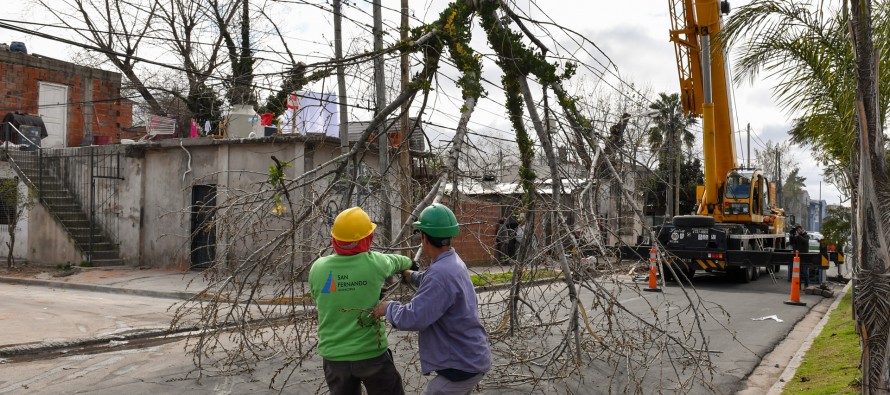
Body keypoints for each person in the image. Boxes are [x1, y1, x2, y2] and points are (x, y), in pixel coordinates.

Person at [373, 203, 491, 394]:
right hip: (470, 358)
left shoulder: (441, 274)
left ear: (424, 238)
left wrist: (388, 307)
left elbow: (413, 318)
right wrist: (412, 276)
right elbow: (437, 284)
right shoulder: (451, 262)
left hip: (460, 365)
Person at [309, 207, 414, 395]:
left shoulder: (318, 268)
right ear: (368, 239)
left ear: (334, 239)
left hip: (334, 358)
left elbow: (318, 297)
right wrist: (411, 264)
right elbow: (399, 261)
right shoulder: (375, 263)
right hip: (371, 354)